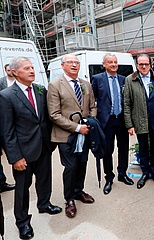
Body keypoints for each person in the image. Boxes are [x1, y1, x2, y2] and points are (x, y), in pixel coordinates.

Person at [0, 57, 62, 239]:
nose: (32, 71)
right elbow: (7, 131)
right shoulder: (6, 96)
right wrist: (15, 157)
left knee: (44, 180)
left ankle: (44, 204)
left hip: (43, 146)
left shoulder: (40, 90)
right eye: (27, 68)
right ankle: (23, 222)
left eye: (32, 68)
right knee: (22, 189)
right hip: (23, 153)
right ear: (14, 72)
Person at [47, 54, 97, 219]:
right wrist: (77, 127)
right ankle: (69, 199)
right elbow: (54, 114)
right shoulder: (55, 85)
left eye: (76, 62)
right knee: (70, 167)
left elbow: (92, 106)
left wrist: (90, 121)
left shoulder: (85, 85)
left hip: (85, 133)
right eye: (70, 62)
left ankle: (78, 191)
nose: (74, 65)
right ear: (63, 65)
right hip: (66, 135)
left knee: (82, 163)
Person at [123, 53, 154, 189]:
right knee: (143, 148)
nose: (143, 66)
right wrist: (129, 124)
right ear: (137, 65)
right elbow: (127, 103)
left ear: (150, 64)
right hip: (140, 120)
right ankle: (145, 172)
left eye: (146, 64)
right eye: (140, 64)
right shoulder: (130, 80)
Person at [92, 53, 133, 195]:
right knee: (107, 151)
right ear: (104, 64)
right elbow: (93, 100)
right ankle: (109, 178)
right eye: (110, 62)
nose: (114, 64)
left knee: (123, 148)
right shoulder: (97, 79)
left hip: (121, 119)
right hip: (106, 121)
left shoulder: (123, 80)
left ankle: (122, 173)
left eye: (115, 62)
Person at [0, 64, 16, 193]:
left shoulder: (20, 81)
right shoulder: (2, 82)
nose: (10, 71)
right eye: (8, 69)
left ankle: (2, 182)